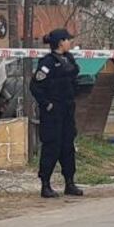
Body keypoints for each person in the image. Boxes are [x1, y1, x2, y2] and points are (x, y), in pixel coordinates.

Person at [30, 28, 82, 199]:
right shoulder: (47, 63)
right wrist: (47, 104)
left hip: (67, 110)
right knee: (52, 146)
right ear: (60, 42)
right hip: (53, 113)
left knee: (68, 146)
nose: (70, 42)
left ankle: (70, 182)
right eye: (67, 40)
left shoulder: (69, 59)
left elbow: (74, 76)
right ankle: (45, 184)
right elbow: (36, 86)